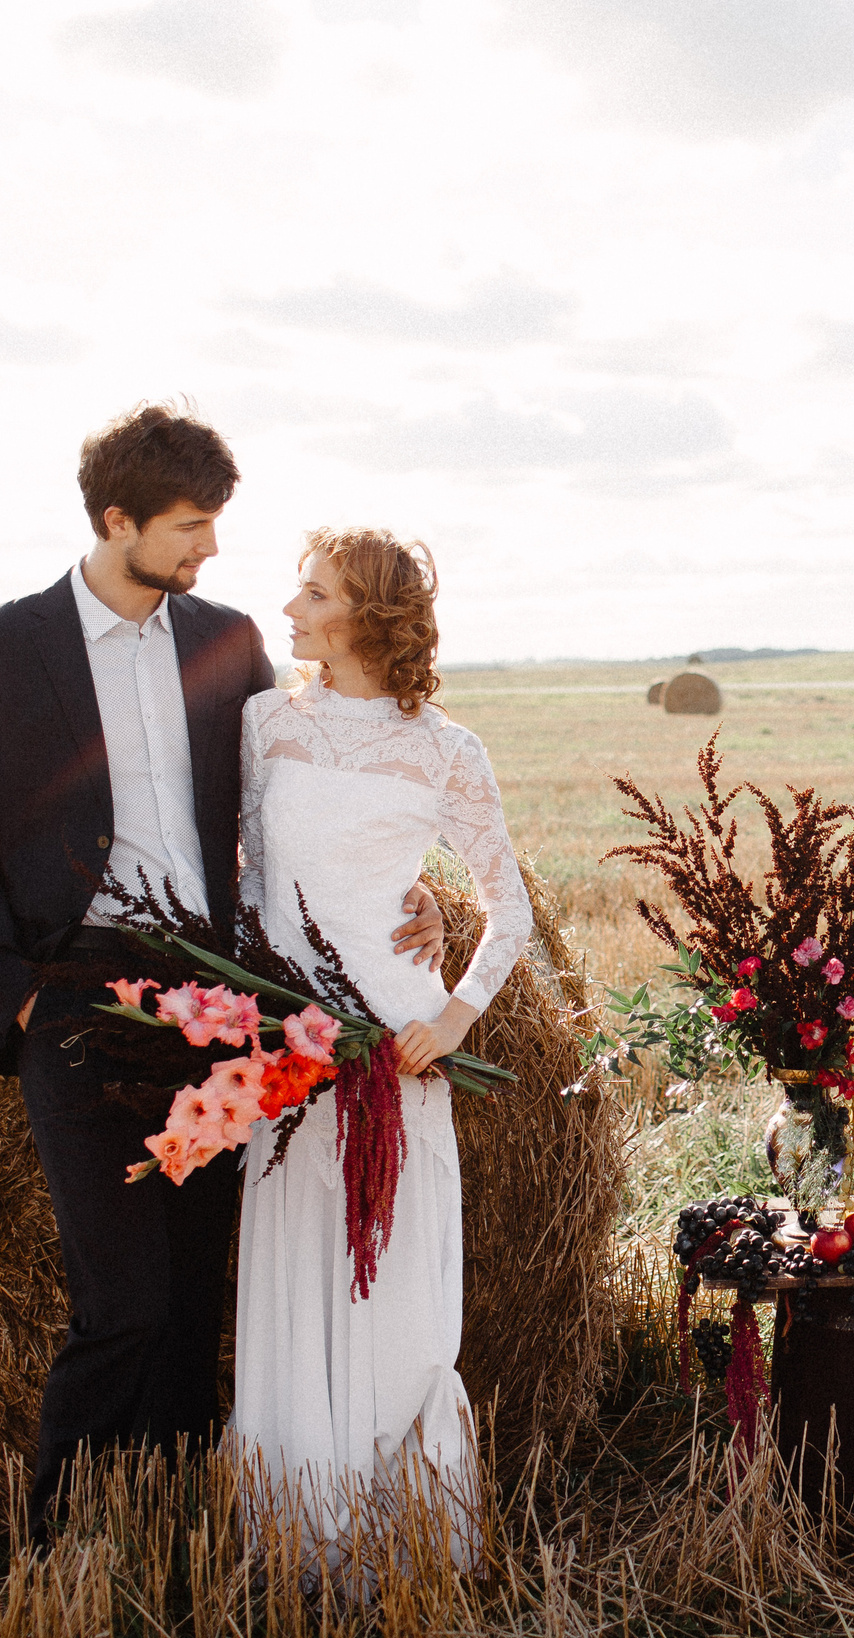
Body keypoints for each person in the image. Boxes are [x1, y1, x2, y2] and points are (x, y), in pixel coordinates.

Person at [0, 402, 445, 1535]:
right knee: (121, 1299)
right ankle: (55, 1547)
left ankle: (172, 1533)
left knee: (198, 1289)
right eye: (190, 527)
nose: (209, 549)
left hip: (219, 1000)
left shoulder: (226, 640)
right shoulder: (2, 647)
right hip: (77, 997)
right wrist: (13, 985)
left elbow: (306, 794)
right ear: (118, 520)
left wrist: (415, 900)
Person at [228, 526, 525, 1570]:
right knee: (299, 1270)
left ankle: (401, 1542)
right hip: (294, 1047)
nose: (292, 606)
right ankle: (299, 1535)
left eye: (313, 592)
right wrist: (262, 1015)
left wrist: (448, 1020)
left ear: (366, 614)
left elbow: (511, 910)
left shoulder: (446, 747)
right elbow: (249, 888)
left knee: (391, 1289)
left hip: (400, 1049)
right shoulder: (265, 723)